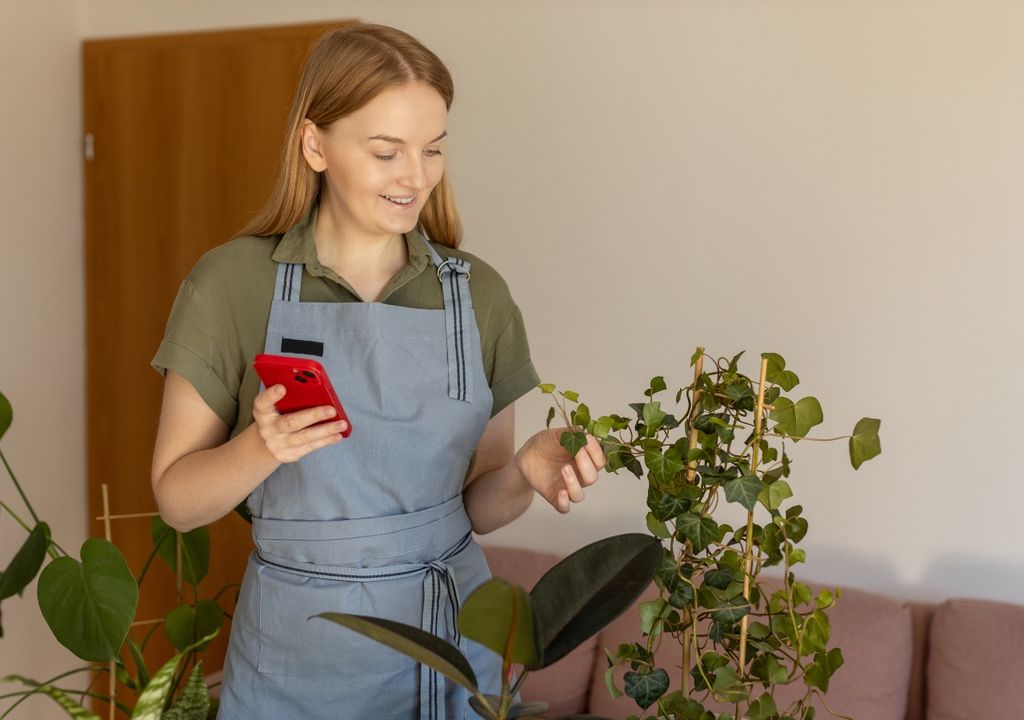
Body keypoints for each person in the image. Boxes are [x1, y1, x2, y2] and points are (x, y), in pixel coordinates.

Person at [149, 22, 605, 720]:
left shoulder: (479, 295)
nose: (415, 176)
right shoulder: (232, 284)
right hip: (296, 664)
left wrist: (522, 474)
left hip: (451, 649)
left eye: (432, 150)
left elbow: (477, 508)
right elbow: (178, 501)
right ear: (315, 144)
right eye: (387, 151)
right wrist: (259, 446)